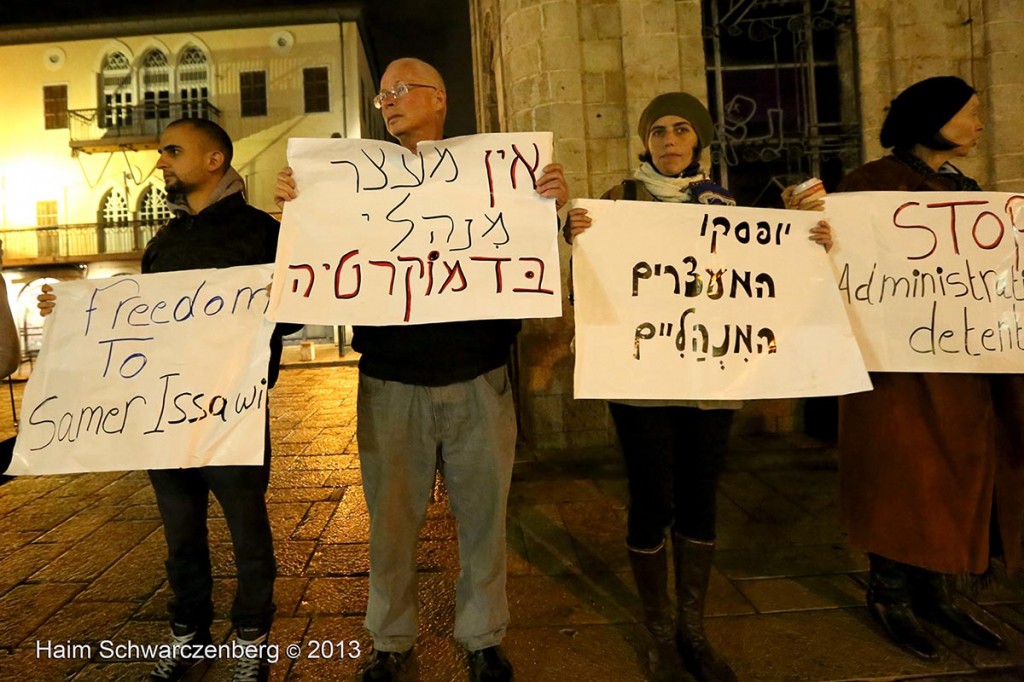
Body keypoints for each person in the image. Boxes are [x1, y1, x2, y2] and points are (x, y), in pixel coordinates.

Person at [275, 57, 568, 682]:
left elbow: (541, 252)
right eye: (383, 95)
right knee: (390, 523)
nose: (388, 102)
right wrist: (299, 213)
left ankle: (484, 637)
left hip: (478, 377)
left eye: (401, 90)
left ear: (440, 99)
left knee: (485, 518)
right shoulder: (354, 182)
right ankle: (389, 638)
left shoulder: (501, 175)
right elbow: (319, 263)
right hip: (390, 383)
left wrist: (550, 208)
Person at [565, 92, 830, 682]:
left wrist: (807, 234)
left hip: (711, 376)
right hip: (641, 381)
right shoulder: (617, 201)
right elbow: (591, 274)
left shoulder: (730, 206)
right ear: (646, 143)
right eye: (657, 131)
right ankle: (660, 632)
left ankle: (693, 628)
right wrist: (574, 231)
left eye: (681, 130)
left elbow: (766, 273)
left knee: (700, 495)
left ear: (698, 141)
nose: (668, 140)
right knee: (652, 497)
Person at [39, 118, 296, 682]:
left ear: (214, 161)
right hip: (164, 417)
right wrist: (77, 315)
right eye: (161, 153)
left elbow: (294, 313)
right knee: (181, 534)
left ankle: (252, 639)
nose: (161, 163)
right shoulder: (164, 242)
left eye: (172, 151)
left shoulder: (262, 233)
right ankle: (190, 636)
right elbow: (137, 326)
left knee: (247, 530)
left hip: (232, 415)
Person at [782, 76, 1018, 660]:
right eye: (969, 113)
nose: (978, 125)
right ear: (932, 118)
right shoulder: (869, 186)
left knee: (952, 476)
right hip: (894, 374)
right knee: (899, 477)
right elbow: (826, 261)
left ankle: (936, 590)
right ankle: (889, 593)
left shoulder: (969, 189)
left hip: (960, 370)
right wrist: (805, 225)